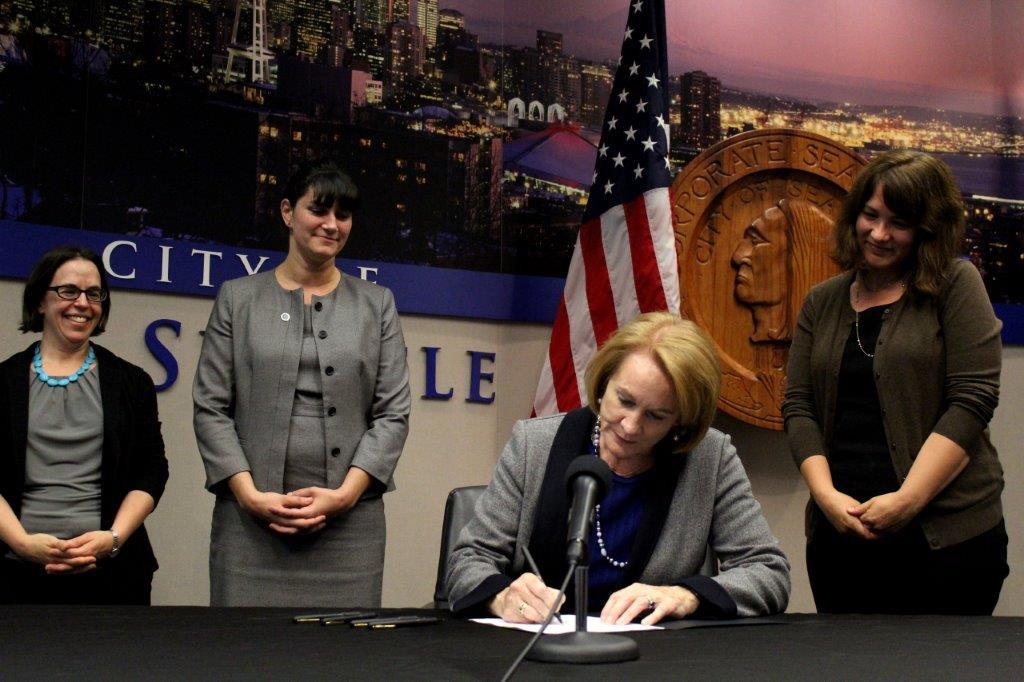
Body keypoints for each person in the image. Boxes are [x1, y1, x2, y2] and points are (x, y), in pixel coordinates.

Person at [446, 312, 790, 625]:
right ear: (604, 381)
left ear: (682, 421)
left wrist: (687, 595)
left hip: (653, 660)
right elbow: (468, 561)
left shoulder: (710, 459)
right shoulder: (533, 445)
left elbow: (768, 572)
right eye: (624, 401)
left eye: (656, 416)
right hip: (537, 651)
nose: (629, 426)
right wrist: (503, 597)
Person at [783, 150, 1008, 614]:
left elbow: (972, 401)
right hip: (840, 540)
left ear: (927, 228)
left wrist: (908, 500)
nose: (879, 234)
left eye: (899, 223)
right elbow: (799, 405)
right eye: (871, 215)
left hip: (947, 543)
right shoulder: (822, 301)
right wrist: (825, 498)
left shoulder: (956, 284)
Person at [193, 159, 411, 607]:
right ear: (288, 212)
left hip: (350, 529)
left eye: (343, 215)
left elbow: (393, 414)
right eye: (319, 210)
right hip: (250, 526)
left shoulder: (378, 304)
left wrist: (345, 496)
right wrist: (249, 496)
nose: (332, 225)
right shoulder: (238, 299)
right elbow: (211, 408)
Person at [0, 246, 168, 604]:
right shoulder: (3, 382)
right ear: (40, 302)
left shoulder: (132, 382)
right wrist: (21, 543)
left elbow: (151, 469)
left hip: (114, 577)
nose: (82, 303)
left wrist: (114, 538)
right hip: (13, 574)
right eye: (68, 291)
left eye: (94, 294)